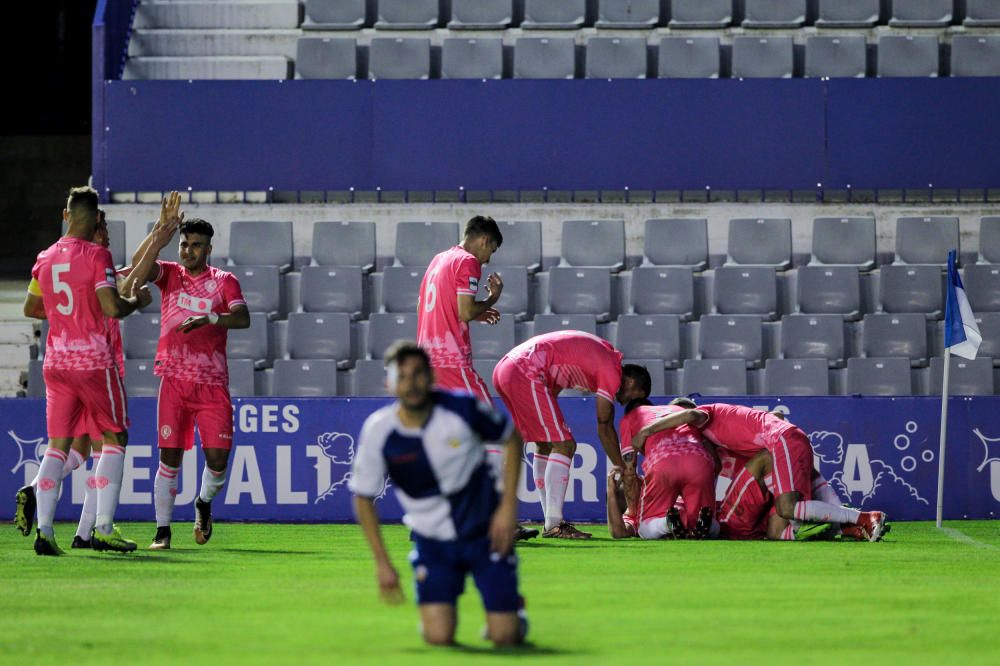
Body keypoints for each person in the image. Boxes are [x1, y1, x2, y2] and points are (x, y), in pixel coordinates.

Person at [350, 341, 527, 648]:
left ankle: (513, 611)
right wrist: (382, 562)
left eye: (418, 374)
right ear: (389, 383)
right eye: (402, 376)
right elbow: (363, 496)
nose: (411, 383)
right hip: (432, 542)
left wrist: (507, 508)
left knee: (506, 636)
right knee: (438, 637)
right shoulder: (379, 431)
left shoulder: (462, 408)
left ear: (431, 377)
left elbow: (511, 437)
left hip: (484, 533)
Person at [16, 209, 168, 547]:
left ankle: (72, 523)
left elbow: (129, 269)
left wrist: (157, 235)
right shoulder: (95, 269)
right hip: (95, 368)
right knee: (106, 448)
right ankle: (98, 529)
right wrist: (159, 240)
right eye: (102, 228)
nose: (107, 234)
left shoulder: (61, 265)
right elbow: (130, 282)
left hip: (66, 367)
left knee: (82, 451)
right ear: (87, 229)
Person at [129, 212, 250, 549]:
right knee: (169, 458)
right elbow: (138, 269)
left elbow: (243, 318)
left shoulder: (225, 281)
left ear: (208, 249)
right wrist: (158, 237)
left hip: (211, 384)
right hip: (174, 381)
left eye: (196, 245)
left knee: (218, 461)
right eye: (184, 244)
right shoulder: (169, 274)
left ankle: (202, 503)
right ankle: (162, 531)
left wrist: (210, 317)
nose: (188, 251)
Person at [629, 402, 889, 542]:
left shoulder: (704, 415)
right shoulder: (717, 442)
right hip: (785, 440)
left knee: (788, 507)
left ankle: (861, 518)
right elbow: (773, 413)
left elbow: (690, 414)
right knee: (779, 527)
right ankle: (846, 525)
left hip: (781, 440)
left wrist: (647, 431)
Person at [492, 331, 648, 538]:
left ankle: (551, 521)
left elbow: (555, 373)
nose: (625, 403)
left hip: (507, 368)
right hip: (525, 371)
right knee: (565, 445)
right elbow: (604, 426)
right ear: (630, 383)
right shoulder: (612, 372)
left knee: (545, 444)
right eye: (632, 397)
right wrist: (621, 467)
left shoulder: (601, 358)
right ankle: (554, 525)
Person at [614, 395, 719, 540]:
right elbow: (715, 460)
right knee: (701, 521)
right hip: (699, 460)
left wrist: (632, 511)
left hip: (662, 463)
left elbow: (630, 472)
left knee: (644, 527)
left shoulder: (628, 419)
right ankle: (708, 525)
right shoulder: (678, 410)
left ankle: (666, 523)